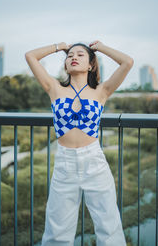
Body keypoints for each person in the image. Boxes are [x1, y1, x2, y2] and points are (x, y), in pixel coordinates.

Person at [25, 40, 134, 246]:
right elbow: (30, 56)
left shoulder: (101, 91)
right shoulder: (54, 88)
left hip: (94, 161)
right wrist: (58, 47)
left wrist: (99, 47)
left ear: (91, 65)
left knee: (109, 228)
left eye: (80, 55)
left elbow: (127, 62)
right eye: (70, 56)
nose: (73, 57)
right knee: (56, 231)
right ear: (65, 65)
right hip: (65, 163)